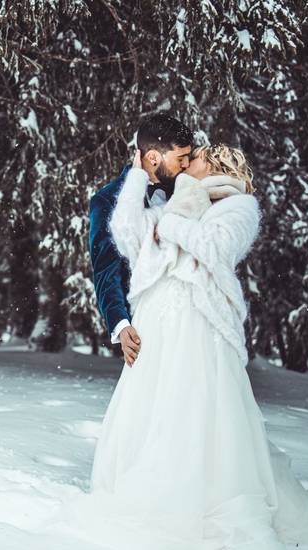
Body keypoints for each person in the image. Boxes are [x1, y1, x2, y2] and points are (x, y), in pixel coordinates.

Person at [77, 142, 308, 550]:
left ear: (212, 164)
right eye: (183, 157)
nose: (184, 164)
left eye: (192, 158)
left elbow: (213, 248)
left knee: (203, 413)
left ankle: (204, 504)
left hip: (201, 327)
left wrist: (172, 227)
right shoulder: (182, 199)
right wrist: (139, 181)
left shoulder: (238, 206)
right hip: (161, 326)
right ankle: (155, 492)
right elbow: (127, 235)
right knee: (158, 411)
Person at [87, 112, 192, 366]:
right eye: (181, 158)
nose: (188, 164)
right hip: (148, 321)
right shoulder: (107, 200)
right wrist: (122, 325)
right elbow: (106, 271)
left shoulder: (188, 188)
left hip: (190, 321)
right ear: (153, 157)